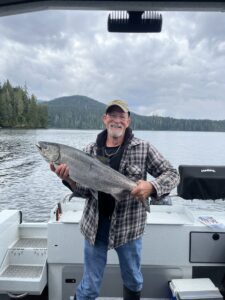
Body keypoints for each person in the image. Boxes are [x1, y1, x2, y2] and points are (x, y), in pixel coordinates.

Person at [50, 100, 179, 300]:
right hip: (95, 228)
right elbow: (84, 191)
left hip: (129, 229)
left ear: (128, 121)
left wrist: (151, 186)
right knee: (90, 286)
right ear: (105, 119)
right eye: (112, 115)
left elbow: (172, 174)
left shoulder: (143, 148)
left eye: (121, 116)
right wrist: (67, 178)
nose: (117, 121)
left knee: (133, 280)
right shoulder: (91, 150)